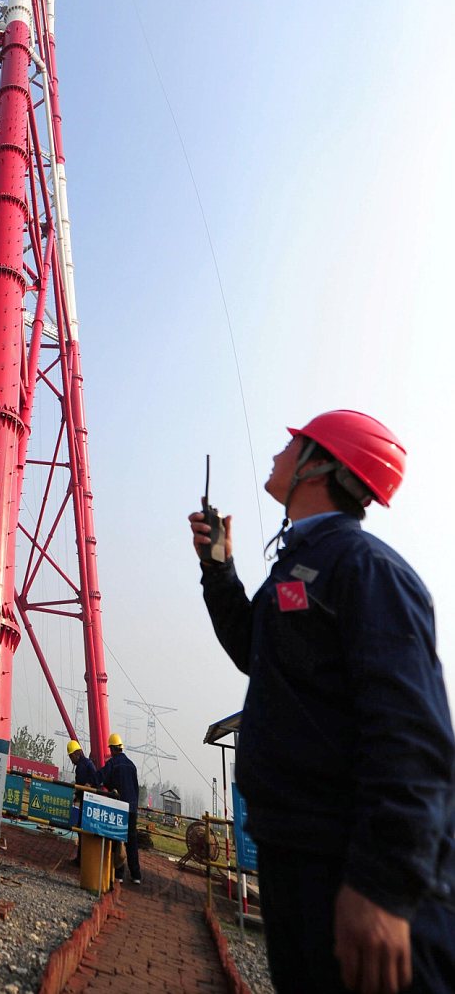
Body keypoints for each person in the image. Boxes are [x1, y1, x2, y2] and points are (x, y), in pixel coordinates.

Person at [189, 410, 455, 994]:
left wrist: (383, 888)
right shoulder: (303, 564)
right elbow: (253, 650)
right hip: (298, 858)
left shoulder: (368, 570)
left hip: (348, 870)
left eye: (297, 442)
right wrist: (218, 568)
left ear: (322, 467)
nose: (282, 449)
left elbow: (412, 738)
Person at [99, 731, 142, 884]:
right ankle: (136, 875)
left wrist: (94, 782)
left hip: (120, 808)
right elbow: (135, 789)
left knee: (118, 838)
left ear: (112, 749)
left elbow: (102, 778)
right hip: (132, 808)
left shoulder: (113, 763)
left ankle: (118, 874)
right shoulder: (131, 765)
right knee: (132, 841)